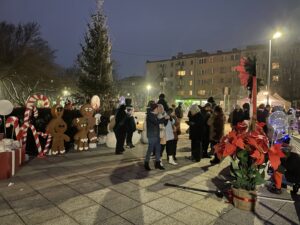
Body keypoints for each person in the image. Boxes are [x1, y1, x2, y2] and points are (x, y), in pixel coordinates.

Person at [144, 103, 168, 170]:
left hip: (157, 134)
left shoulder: (154, 115)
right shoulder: (150, 115)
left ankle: (157, 163)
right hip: (151, 136)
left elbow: (159, 121)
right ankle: (146, 163)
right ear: (154, 109)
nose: (158, 109)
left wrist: (165, 118)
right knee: (150, 150)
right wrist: (164, 118)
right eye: (157, 108)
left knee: (158, 149)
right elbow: (156, 122)